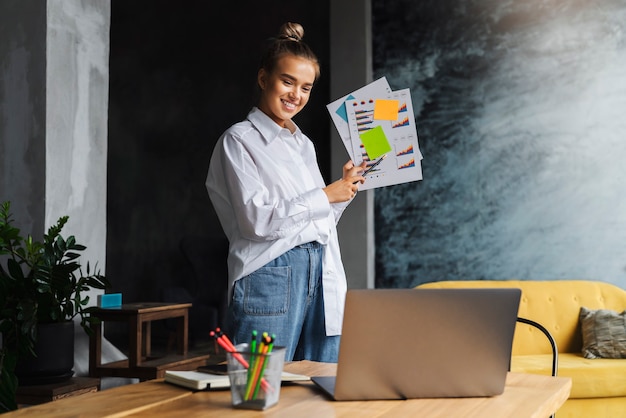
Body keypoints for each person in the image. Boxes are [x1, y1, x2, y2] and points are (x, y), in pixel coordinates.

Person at [205, 22, 366, 362]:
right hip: (271, 274)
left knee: (319, 387)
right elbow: (257, 222)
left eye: (306, 87)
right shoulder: (239, 140)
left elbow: (314, 221)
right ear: (264, 79)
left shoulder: (302, 144)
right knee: (259, 390)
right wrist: (325, 195)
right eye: (287, 81)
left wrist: (343, 192)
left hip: (321, 269)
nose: (296, 94)